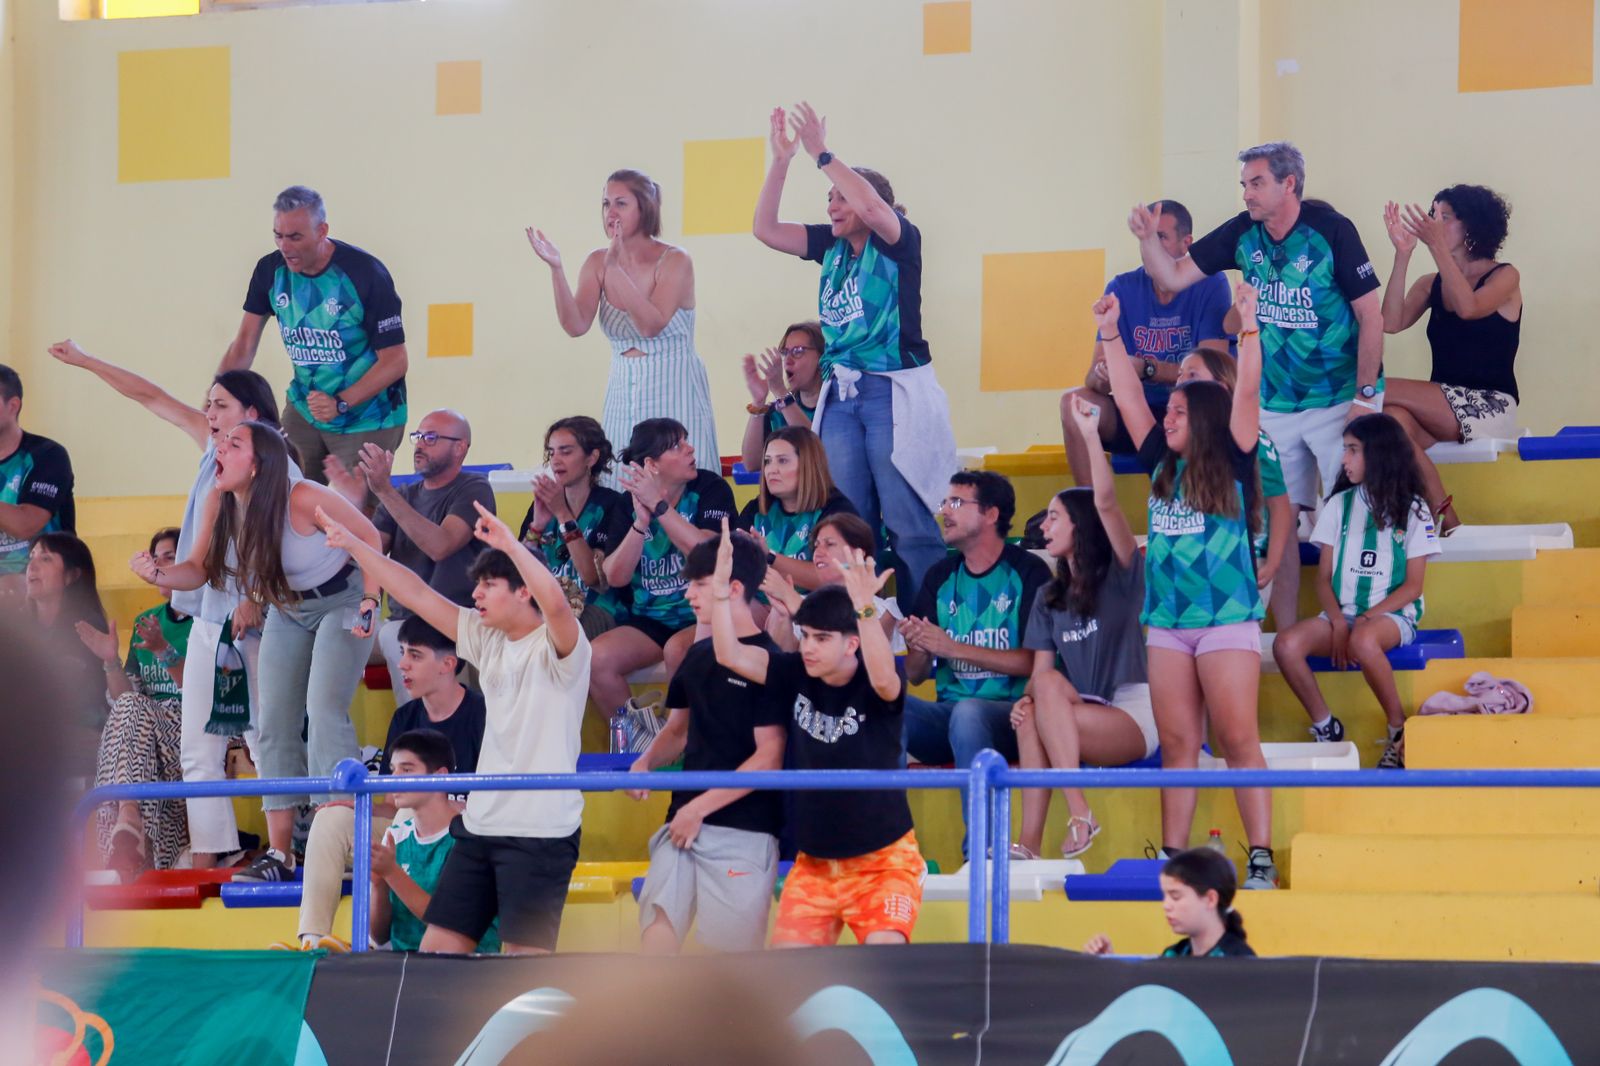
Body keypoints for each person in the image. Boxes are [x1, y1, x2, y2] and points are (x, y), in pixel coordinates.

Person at [47, 339, 283, 868]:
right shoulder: (210, 447)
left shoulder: (276, 465)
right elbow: (150, 396)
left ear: (252, 413)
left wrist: (255, 597)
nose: (208, 413)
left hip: (253, 625)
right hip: (208, 619)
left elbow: (278, 542)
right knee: (198, 748)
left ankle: (284, 848)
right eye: (208, 404)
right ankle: (211, 854)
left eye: (220, 405)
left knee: (261, 740)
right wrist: (87, 360)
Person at [316, 499, 590, 956]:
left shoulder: (563, 646)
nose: (476, 594)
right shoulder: (486, 638)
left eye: (489, 584)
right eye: (477, 584)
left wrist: (512, 545)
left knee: (523, 970)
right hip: (480, 827)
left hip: (541, 832)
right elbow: (417, 593)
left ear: (524, 591)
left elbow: (558, 606)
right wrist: (355, 546)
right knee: (436, 954)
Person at [1134, 142, 1385, 621]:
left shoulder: (1332, 230)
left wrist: (1366, 397)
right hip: (1274, 402)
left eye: (1256, 183)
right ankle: (1287, 630)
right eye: (1244, 184)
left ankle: (1358, 622)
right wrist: (1148, 239)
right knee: (1279, 521)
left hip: (1338, 398)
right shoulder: (1241, 232)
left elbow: (1370, 316)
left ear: (1289, 184)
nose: (1246, 193)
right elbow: (1172, 274)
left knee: (1354, 512)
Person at [129, 422, 383, 882]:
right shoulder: (221, 501)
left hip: (344, 599)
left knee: (323, 709)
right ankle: (282, 853)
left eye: (233, 444)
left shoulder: (301, 497)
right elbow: (198, 570)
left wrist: (370, 599)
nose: (219, 449)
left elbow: (370, 536)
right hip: (287, 606)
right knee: (273, 723)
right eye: (220, 442)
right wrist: (158, 576)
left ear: (258, 464)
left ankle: (342, 840)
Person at [1099, 286, 1279, 890]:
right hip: (1168, 624)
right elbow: (1128, 395)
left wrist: (1249, 328)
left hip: (1225, 618)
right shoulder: (1160, 459)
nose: (1167, 418)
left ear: (1202, 416)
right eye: (1168, 411)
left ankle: (1260, 855)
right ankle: (1173, 859)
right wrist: (1111, 332)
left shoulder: (1235, 455)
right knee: (1177, 743)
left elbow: (1246, 391)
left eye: (1178, 411)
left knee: (1237, 738)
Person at [753, 102, 954, 604]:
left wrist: (822, 152)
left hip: (891, 389)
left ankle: (925, 623)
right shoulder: (832, 246)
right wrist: (781, 161)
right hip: (841, 393)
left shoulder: (897, 240)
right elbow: (766, 229)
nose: (832, 207)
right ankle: (861, 621)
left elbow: (874, 211)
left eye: (842, 197)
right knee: (850, 522)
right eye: (829, 198)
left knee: (907, 518)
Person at [711, 524, 923, 947]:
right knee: (792, 979)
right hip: (814, 866)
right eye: (806, 636)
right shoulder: (794, 671)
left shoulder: (876, 679)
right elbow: (729, 654)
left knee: (886, 961)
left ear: (851, 645)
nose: (808, 647)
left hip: (883, 864)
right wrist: (720, 593)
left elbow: (885, 679)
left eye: (821, 639)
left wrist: (865, 607)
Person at [281, 616, 486, 951]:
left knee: (409, 816)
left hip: (463, 835)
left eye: (415, 655)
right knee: (332, 818)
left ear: (448, 664)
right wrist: (359, 807)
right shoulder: (405, 718)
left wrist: (443, 806)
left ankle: (375, 948)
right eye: (402, 653)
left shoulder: (483, 714)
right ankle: (313, 943)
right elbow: (394, 802)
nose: (402, 664)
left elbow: (497, 798)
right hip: (409, 825)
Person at [627, 536, 787, 954]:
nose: (688, 594)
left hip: (744, 827)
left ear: (732, 588)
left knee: (728, 964)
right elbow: (677, 731)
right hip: (682, 821)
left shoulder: (770, 663)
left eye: (699, 583)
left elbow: (769, 757)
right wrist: (645, 762)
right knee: (656, 934)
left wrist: (699, 809)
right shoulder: (697, 656)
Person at [1010, 415, 1155, 861]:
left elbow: (1107, 505)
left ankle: (1078, 813)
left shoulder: (1124, 575)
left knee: (1042, 700)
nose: (1043, 527)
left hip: (1132, 712)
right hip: (1079, 708)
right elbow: (1039, 675)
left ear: (1082, 525)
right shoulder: (1048, 596)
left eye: (1054, 517)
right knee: (1034, 705)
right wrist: (1025, 699)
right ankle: (1029, 846)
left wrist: (1091, 437)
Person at [219, 185, 409, 501]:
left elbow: (396, 360)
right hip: (305, 408)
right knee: (278, 495)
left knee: (354, 511)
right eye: (278, 236)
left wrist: (341, 402)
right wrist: (218, 399)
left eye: (295, 237)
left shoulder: (365, 274)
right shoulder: (270, 271)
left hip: (367, 416)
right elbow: (244, 344)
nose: (285, 246)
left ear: (322, 231)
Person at [526, 170, 719, 481]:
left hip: (675, 382)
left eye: (621, 203)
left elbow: (650, 325)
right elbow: (575, 325)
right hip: (622, 385)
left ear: (645, 208)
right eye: (606, 204)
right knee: (620, 476)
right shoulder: (596, 261)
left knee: (676, 478)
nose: (610, 213)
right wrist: (556, 268)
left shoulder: (675, 260)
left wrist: (615, 269)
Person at [1272, 414, 1440, 770]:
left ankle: (1397, 729)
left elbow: (1414, 587)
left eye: (1353, 450)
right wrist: (1337, 621)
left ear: (1379, 454)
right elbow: (1323, 578)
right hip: (1343, 614)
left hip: (1392, 615)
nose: (1344, 459)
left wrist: (1364, 619)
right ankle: (1326, 726)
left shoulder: (1415, 509)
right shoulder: (1338, 504)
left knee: (1364, 640)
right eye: (1345, 449)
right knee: (1285, 645)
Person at [902, 471, 1048, 823]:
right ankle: (886, 841)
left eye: (956, 502)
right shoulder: (940, 576)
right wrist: (918, 645)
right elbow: (915, 675)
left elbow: (1034, 662)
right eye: (944, 503)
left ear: (991, 514)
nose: (944, 512)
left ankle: (980, 848)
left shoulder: (1029, 572)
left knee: (969, 713)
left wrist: (953, 648)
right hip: (948, 718)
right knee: (886, 707)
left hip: (1012, 718)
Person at [324, 409, 495, 699]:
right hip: (399, 620)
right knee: (329, 630)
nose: (419, 445)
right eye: (418, 436)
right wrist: (352, 505)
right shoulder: (403, 495)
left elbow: (441, 546)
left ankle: (418, 723)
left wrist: (384, 492)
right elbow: (367, 555)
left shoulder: (474, 488)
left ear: (460, 448)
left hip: (453, 622)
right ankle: (328, 726)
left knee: (397, 637)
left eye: (431, 438)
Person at [1379, 186, 1521, 535]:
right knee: (1392, 420)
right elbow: (1390, 322)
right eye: (1433, 215)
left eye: (1445, 217)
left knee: (1373, 388)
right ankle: (1449, 522)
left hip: (1490, 405)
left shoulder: (1505, 276)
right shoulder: (1431, 283)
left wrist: (1437, 248)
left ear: (1471, 224)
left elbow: (1468, 307)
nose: (1434, 223)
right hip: (1443, 406)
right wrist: (1403, 255)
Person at [1061, 200, 1233, 486]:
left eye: (1160, 236)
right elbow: (1092, 380)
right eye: (1146, 238)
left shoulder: (1211, 283)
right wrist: (1105, 375)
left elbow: (1212, 376)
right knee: (1073, 403)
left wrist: (1146, 369)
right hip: (1137, 413)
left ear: (1186, 244)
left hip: (1193, 414)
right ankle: (1087, 506)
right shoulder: (1121, 287)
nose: (1150, 246)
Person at [593, 418, 734, 747]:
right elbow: (615, 576)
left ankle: (688, 745)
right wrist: (640, 523)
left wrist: (659, 507)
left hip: (703, 613)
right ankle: (646, 744)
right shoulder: (626, 504)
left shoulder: (710, 489)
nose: (690, 449)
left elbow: (709, 553)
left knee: (678, 650)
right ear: (651, 464)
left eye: (687, 441)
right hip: (651, 618)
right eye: (677, 446)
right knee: (596, 659)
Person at [75, 528, 193, 882]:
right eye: (155, 558)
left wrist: (163, 650)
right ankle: (133, 828)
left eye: (170, 557)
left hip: (192, 731)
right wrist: (110, 661)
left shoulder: (208, 619)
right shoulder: (148, 620)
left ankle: (128, 824)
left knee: (129, 722)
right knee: (129, 711)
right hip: (148, 738)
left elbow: (203, 694)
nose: (160, 565)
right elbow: (126, 695)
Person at [1176, 346, 1294, 617]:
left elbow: (1279, 505)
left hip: (1246, 560)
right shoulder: (1181, 441)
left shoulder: (1253, 441)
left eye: (1192, 374)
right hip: (1196, 561)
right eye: (1180, 374)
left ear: (1222, 386)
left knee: (1234, 637)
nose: (1181, 381)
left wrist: (1272, 562)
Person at [369, 729, 501, 954]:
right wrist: (379, 885)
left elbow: (451, 924)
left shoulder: (471, 837)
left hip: (465, 966)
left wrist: (391, 872)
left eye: (406, 769)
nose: (394, 778)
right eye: (393, 769)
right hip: (402, 965)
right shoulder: (396, 835)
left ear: (440, 775)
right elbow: (379, 935)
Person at [517, 416, 627, 641]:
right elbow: (517, 571)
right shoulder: (545, 502)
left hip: (596, 608)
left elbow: (592, 578)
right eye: (551, 453)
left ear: (592, 458)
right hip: (547, 608)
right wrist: (536, 527)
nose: (556, 460)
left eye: (566, 452)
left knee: (550, 637)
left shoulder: (612, 505)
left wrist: (563, 515)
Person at [23, 534, 109, 773]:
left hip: (78, 737)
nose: (32, 565)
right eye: (31, 557)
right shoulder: (16, 628)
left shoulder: (88, 629)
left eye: (46, 559)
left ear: (72, 575)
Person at [761, 512, 904, 653]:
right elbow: (782, 660)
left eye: (829, 544)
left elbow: (856, 655)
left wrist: (794, 603)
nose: (818, 552)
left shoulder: (884, 610)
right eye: (816, 546)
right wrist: (782, 615)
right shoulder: (800, 602)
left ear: (858, 553)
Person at [736, 427, 858, 591]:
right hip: (763, 601)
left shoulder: (836, 510)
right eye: (767, 461)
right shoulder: (756, 509)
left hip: (820, 602)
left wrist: (769, 557)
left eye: (782, 461)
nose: (772, 470)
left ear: (808, 465)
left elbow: (835, 576)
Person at [1084, 847, 1255, 958]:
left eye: (1176, 896)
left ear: (1210, 899)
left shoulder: (1240, 961)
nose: (1166, 905)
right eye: (1164, 896)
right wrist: (1108, 962)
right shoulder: (1172, 955)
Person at [0, 363, 75, 601]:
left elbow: (26, 524)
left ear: (13, 406)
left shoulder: (47, 455)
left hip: (50, 599)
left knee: (11, 589)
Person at [739, 322, 826, 471]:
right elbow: (752, 464)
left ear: (822, 356)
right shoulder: (778, 411)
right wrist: (758, 402)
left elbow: (817, 454)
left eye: (798, 351)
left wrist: (780, 391)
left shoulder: (839, 405)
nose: (788, 361)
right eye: (785, 353)